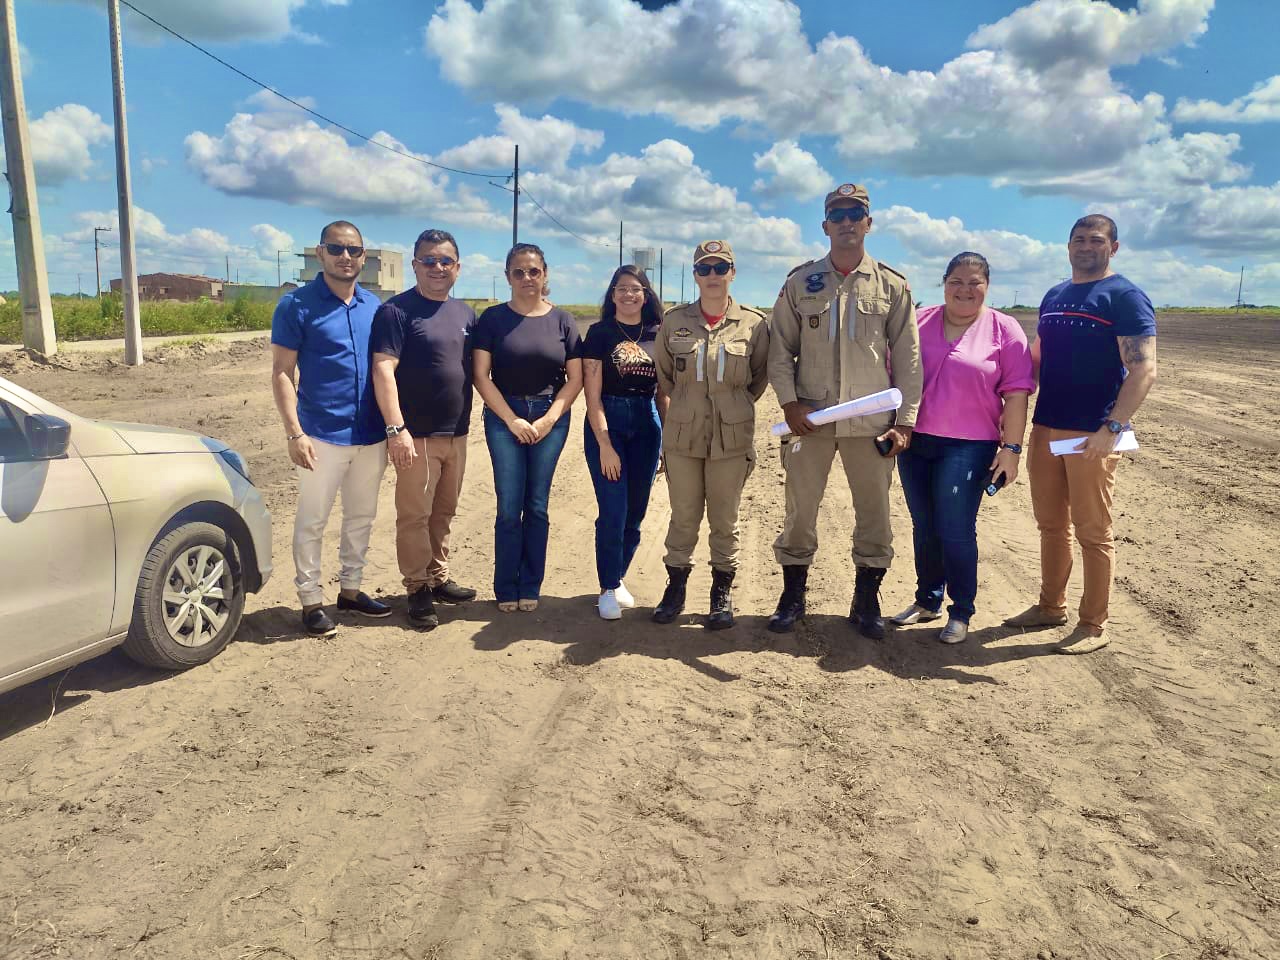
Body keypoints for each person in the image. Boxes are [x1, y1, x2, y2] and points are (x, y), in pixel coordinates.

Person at [767, 183, 922, 638]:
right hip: (810, 422)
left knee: (873, 512)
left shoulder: (892, 285)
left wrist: (906, 421)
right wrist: (790, 403)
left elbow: (909, 358)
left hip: (870, 423)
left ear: (869, 224)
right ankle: (793, 596)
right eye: (839, 214)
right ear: (825, 225)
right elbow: (780, 350)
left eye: (856, 214)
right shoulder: (801, 283)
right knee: (799, 511)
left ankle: (867, 598)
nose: (848, 221)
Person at [1004, 215, 1157, 654]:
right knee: (1051, 524)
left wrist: (1113, 426)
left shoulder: (1124, 296)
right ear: (1067, 246)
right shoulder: (1055, 295)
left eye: (1096, 240)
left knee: (1093, 530)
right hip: (1046, 426)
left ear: (1114, 247)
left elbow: (1143, 367)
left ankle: (1093, 625)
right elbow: (1037, 356)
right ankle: (1050, 606)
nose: (1086, 246)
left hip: (1091, 434)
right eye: (1079, 239)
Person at [887, 252, 1034, 644]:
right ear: (944, 282)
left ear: (987, 286)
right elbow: (891, 373)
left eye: (974, 282)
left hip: (970, 446)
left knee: (955, 529)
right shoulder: (918, 322)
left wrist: (1013, 449)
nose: (965, 290)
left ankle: (961, 610)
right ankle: (927, 600)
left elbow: (1017, 395)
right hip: (916, 441)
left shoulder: (1005, 330)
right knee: (925, 527)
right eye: (956, 281)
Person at [270, 220, 390, 636]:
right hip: (320, 434)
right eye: (336, 249)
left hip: (370, 435)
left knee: (362, 516)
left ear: (364, 256)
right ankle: (310, 600)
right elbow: (283, 372)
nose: (346, 257)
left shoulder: (375, 307)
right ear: (320, 253)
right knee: (312, 520)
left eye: (354, 250)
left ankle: (351, 591)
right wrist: (294, 433)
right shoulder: (296, 305)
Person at [653, 240, 769, 630]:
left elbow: (757, 380)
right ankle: (675, 588)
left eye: (721, 268)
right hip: (684, 436)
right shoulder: (674, 321)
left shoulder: (754, 324)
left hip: (731, 439)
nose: (713, 275)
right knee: (684, 516)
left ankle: (721, 593)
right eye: (705, 269)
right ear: (695, 275)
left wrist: (729, 408)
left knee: (725, 519)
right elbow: (666, 378)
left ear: (733, 273)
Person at [371, 228, 478, 631]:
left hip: (458, 433)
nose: (437, 268)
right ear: (415, 265)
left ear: (457, 267)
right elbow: (383, 369)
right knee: (414, 515)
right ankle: (416, 588)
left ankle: (438, 576)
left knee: (444, 510)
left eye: (445, 261)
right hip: (415, 435)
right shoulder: (396, 312)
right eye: (428, 261)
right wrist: (396, 429)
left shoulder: (466, 314)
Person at [472, 243, 583, 612]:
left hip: (551, 419)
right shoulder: (492, 319)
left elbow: (575, 378)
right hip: (506, 418)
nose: (526, 278)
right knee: (508, 506)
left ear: (545, 274)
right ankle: (506, 587)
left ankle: (530, 585)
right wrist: (512, 419)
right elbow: (481, 376)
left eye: (533, 271)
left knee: (536, 505)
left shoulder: (563, 321)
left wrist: (550, 418)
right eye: (518, 272)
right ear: (507, 277)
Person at [582, 265, 668, 621]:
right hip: (609, 423)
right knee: (613, 511)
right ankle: (606, 588)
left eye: (635, 289)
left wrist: (665, 442)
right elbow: (592, 398)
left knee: (636, 512)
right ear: (612, 294)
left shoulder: (659, 334)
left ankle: (618, 579)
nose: (629, 294)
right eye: (621, 289)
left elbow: (663, 394)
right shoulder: (599, 334)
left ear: (645, 294)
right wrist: (604, 444)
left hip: (647, 426)